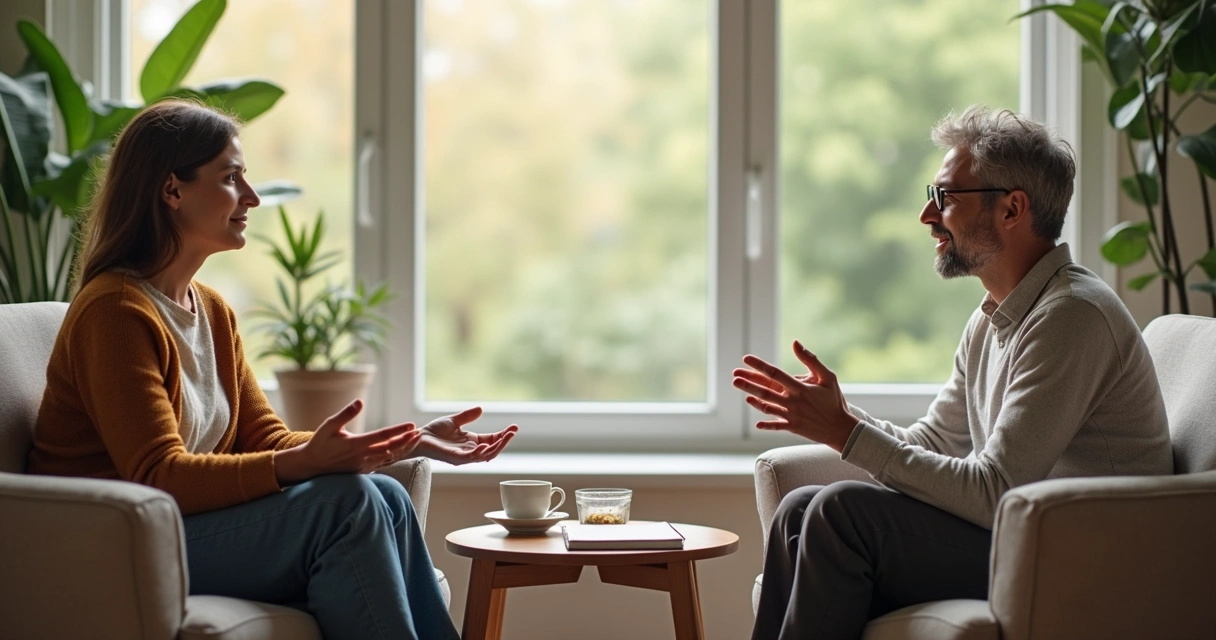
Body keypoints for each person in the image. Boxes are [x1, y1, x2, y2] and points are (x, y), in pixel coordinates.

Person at [27, 100, 517, 640]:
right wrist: (305, 463)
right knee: (348, 503)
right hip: (115, 547)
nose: (252, 197)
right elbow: (157, 475)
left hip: (181, 531)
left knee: (388, 495)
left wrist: (408, 441)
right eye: (231, 178)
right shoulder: (115, 311)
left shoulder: (210, 310)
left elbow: (268, 439)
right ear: (172, 190)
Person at [735, 105, 1173, 640]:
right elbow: (934, 442)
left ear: (1013, 209)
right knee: (799, 510)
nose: (926, 215)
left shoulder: (1073, 316)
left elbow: (996, 491)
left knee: (840, 514)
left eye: (945, 197)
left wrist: (845, 434)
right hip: (1027, 541)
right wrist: (839, 416)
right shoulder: (993, 317)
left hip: (1085, 561)